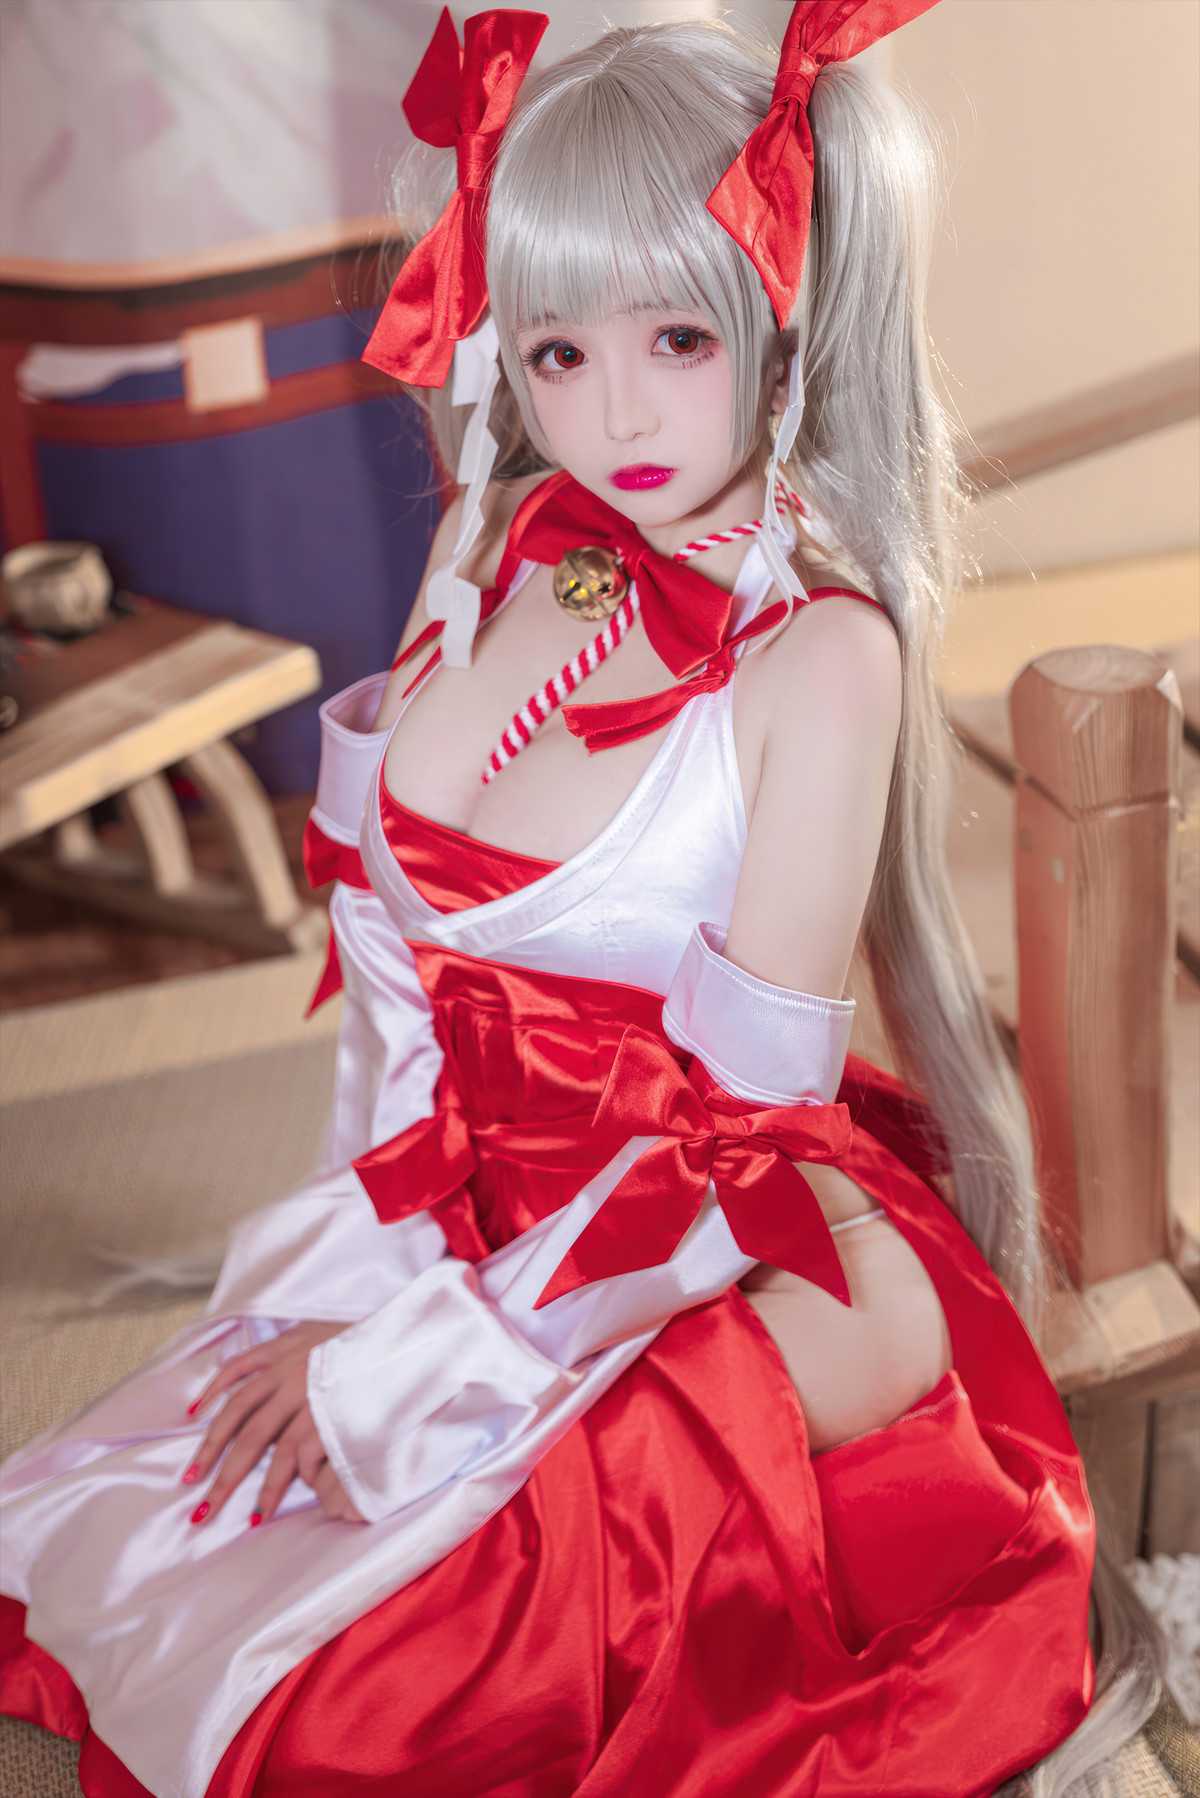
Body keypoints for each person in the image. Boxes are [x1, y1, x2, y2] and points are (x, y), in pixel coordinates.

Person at [0, 5, 1165, 1795]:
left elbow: (738, 1146)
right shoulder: (493, 546)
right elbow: (394, 996)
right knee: (126, 1532)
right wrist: (359, 1275)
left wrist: (411, 1370)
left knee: (382, 1697)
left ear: (776, 318)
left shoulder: (821, 657)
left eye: (677, 337)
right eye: (557, 348)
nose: (613, 410)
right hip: (478, 1228)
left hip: (737, 1250)